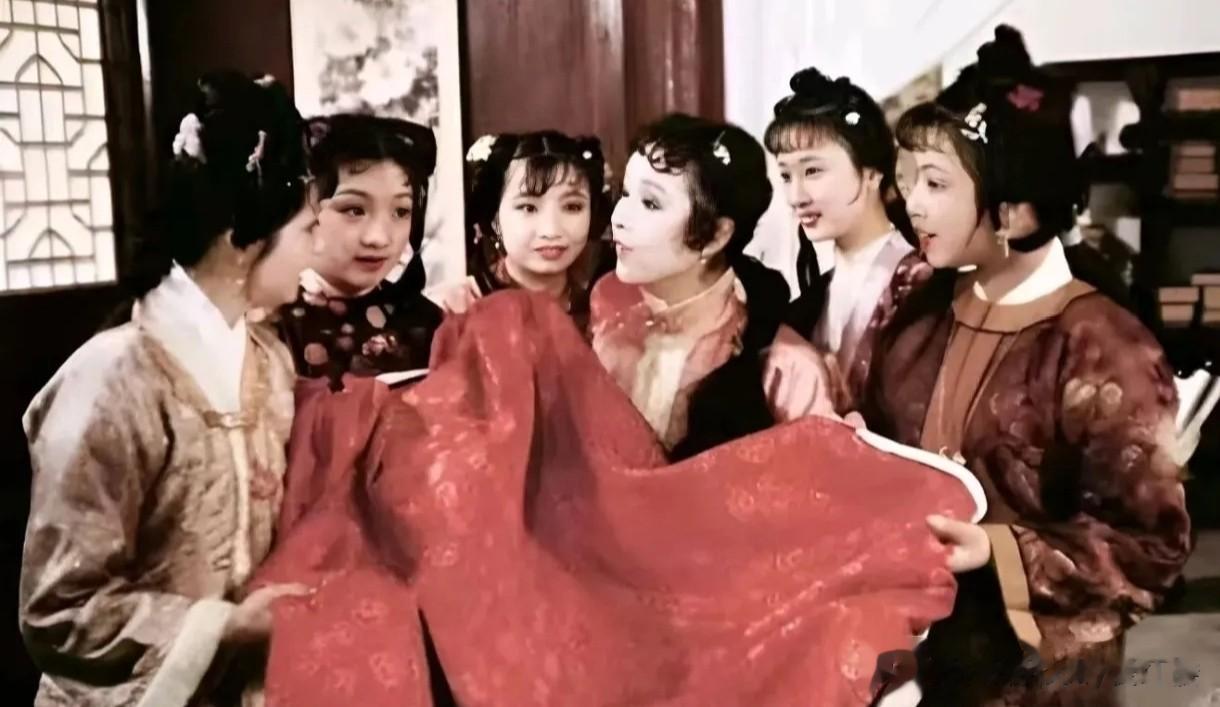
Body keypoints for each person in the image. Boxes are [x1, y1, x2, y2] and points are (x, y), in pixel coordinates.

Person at [866, 26, 1192, 705]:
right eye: (908, 181)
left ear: (1012, 210)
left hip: (1037, 677)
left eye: (935, 183)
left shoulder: (1104, 346)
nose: (911, 203)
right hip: (913, 656)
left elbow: (1151, 546)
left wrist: (998, 550)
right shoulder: (920, 310)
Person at [19, 71, 319, 707]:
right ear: (244, 240)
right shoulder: (110, 380)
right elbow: (58, 608)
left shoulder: (271, 362)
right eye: (307, 232)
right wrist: (222, 627)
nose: (313, 254)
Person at [592, 113, 840, 457]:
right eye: (625, 194)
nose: (619, 218)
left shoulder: (785, 369)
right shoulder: (611, 339)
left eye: (650, 203)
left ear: (716, 235)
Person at [765, 68, 930, 409]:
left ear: (871, 174)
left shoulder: (921, 284)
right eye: (786, 176)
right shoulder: (811, 300)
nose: (796, 196)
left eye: (812, 171)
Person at [277, 114, 442, 385]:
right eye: (354, 210)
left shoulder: (433, 324)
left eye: (401, 211)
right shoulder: (269, 326)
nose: (378, 238)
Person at [438, 131, 613, 331]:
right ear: (494, 219)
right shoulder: (461, 308)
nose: (551, 230)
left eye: (572, 207)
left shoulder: (609, 302)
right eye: (528, 208)